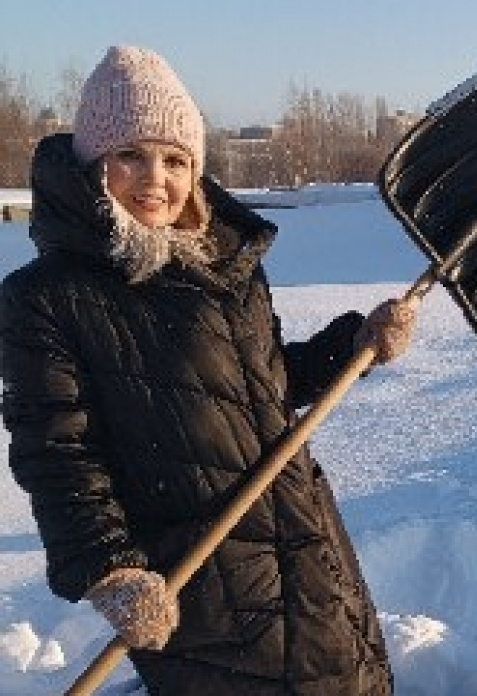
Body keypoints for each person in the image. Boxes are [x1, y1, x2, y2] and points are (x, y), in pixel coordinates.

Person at [0, 45, 415, 694]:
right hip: (203, 585)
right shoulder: (49, 298)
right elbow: (56, 453)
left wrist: (356, 345)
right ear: (89, 167)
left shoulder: (223, 264)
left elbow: (265, 383)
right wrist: (112, 570)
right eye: (129, 155)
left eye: (174, 159)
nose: (154, 177)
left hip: (305, 549)